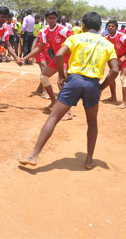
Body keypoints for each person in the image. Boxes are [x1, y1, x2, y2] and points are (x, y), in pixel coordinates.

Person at [19, 12, 119, 170]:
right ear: (101, 27)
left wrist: (60, 75)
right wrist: (100, 88)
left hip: (74, 81)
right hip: (92, 84)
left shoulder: (76, 38)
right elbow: (114, 70)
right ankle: (88, 160)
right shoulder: (107, 44)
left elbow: (59, 54)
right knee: (92, 122)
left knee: (53, 118)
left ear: (83, 27)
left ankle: (34, 156)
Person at [23, 9, 74, 120]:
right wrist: (25, 58)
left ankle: (68, 112)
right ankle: (54, 102)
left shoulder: (63, 30)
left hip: (67, 58)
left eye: (53, 18)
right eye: (49, 18)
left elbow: (74, 41)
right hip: (57, 58)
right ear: (46, 19)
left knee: (61, 83)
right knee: (43, 77)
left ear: (57, 19)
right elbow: (39, 47)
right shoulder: (45, 31)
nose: (51, 20)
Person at [104, 20, 126, 108]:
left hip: (124, 59)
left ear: (117, 28)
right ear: (106, 28)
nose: (110, 28)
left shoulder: (122, 37)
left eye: (113, 26)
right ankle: (113, 97)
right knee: (111, 77)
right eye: (109, 26)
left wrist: (121, 59)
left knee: (123, 78)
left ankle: (124, 101)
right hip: (115, 60)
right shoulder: (106, 38)